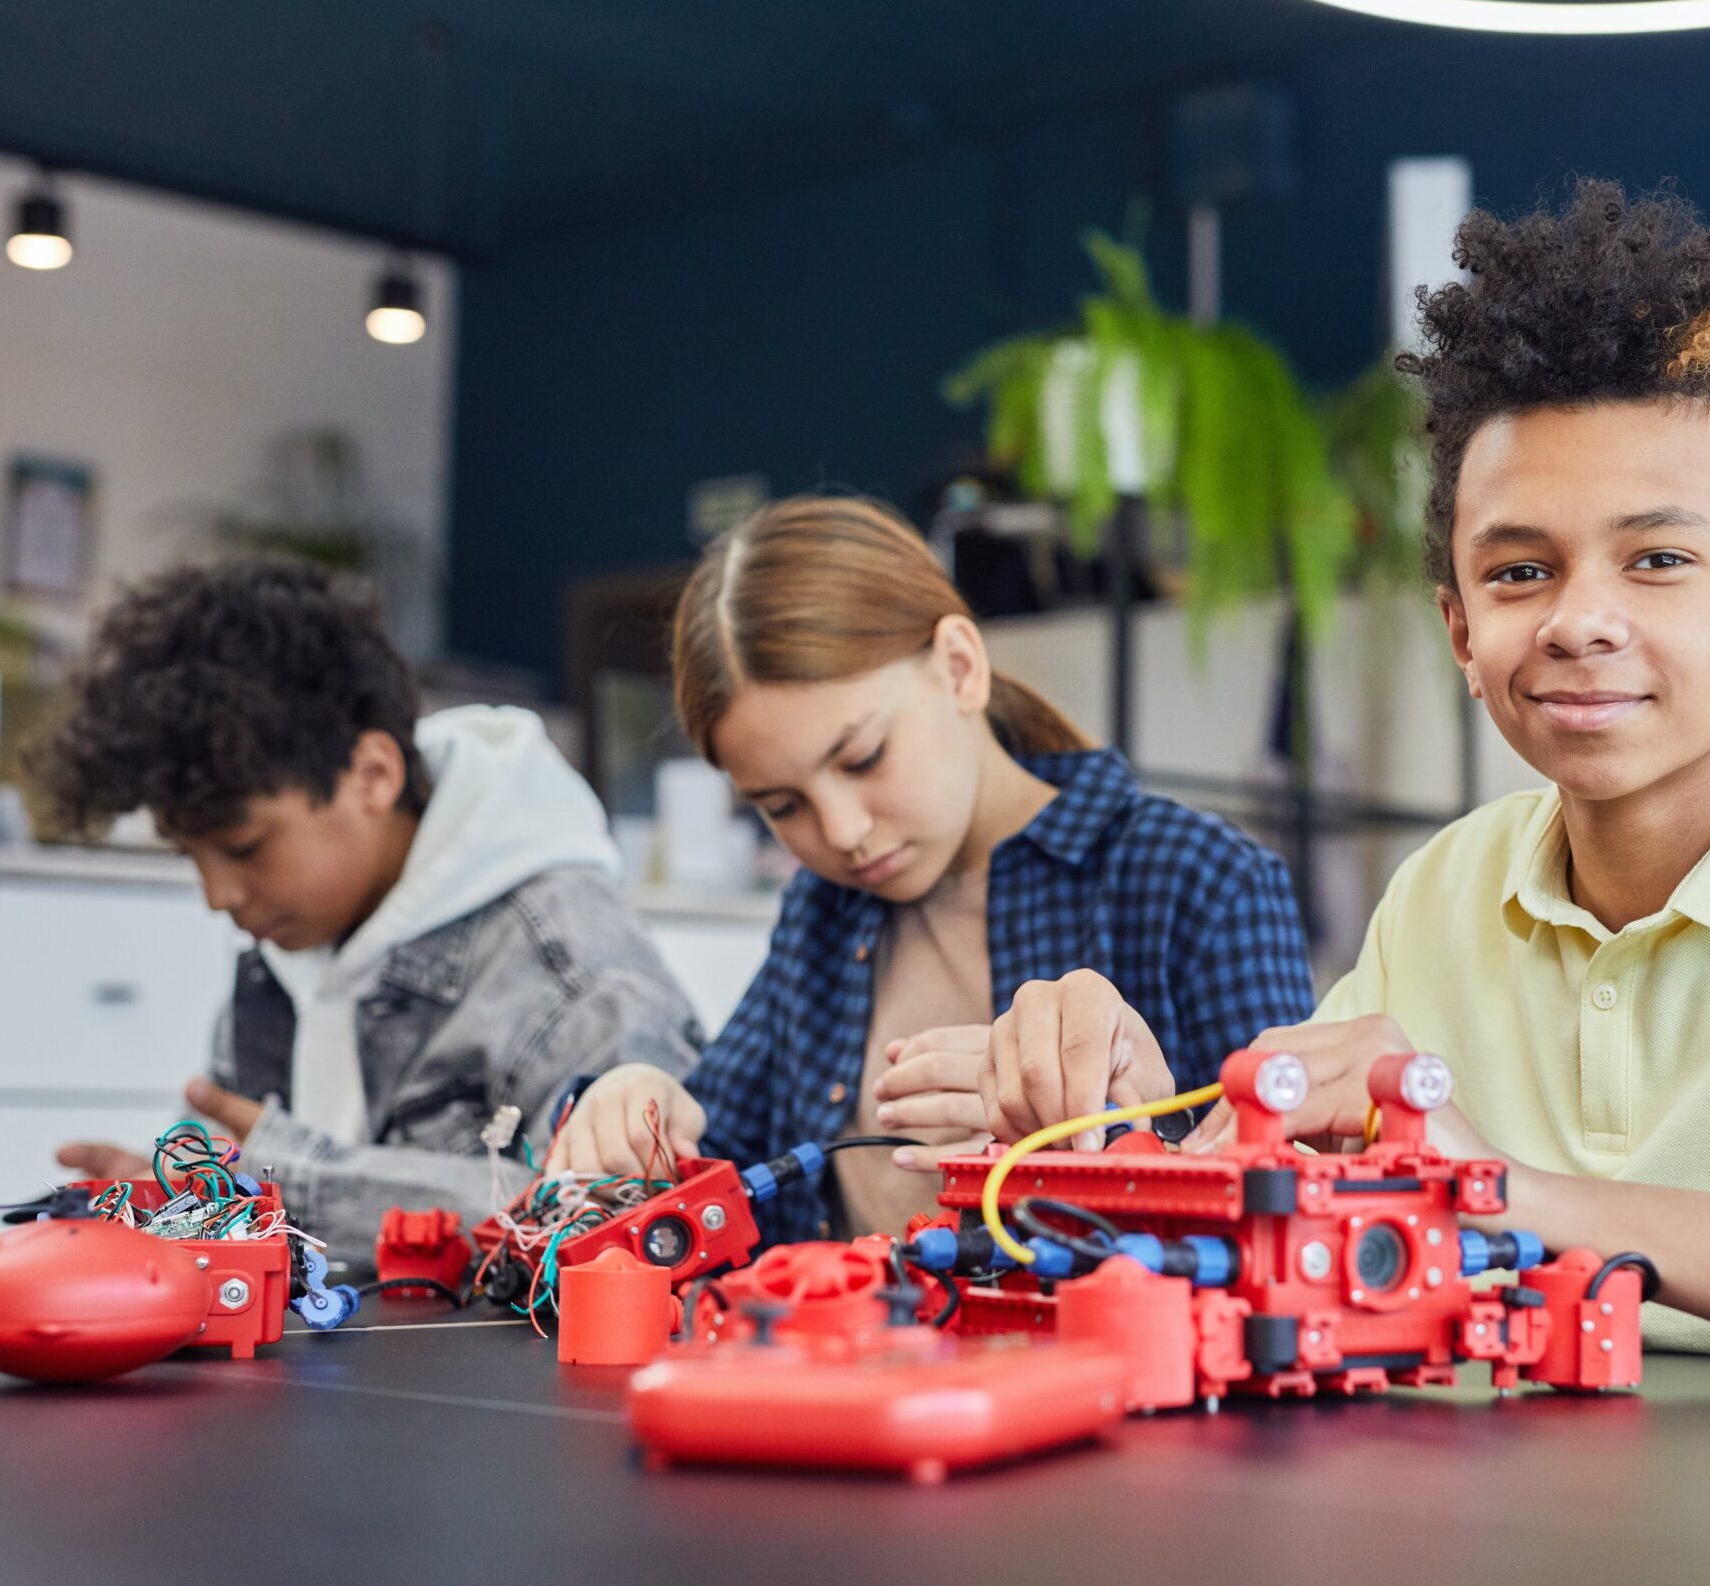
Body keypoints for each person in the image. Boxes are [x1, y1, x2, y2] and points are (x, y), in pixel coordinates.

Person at [976, 181, 1710, 1397]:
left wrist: (1514, 1195)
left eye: (1657, 560)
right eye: (1518, 571)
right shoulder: (1442, 892)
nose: (1578, 621)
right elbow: (1283, 1232)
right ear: (1457, 629)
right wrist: (1123, 1139)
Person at [546, 496, 1316, 1241]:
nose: (842, 832)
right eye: (783, 806)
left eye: (863, 757)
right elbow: (716, 1147)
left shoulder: (1204, 882)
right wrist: (631, 1107)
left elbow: (1293, 1211)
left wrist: (1113, 1138)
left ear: (958, 666)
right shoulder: (825, 909)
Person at [32, 558, 702, 1254]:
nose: (218, 896)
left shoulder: (575, 974)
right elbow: (243, 1161)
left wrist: (293, 1188)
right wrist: (175, 1194)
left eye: (244, 847)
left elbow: (624, 1216)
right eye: (189, 855)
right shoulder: (298, 937)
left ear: (373, 775)